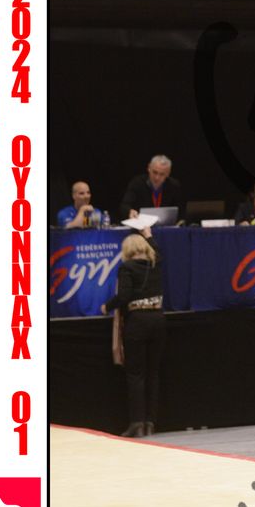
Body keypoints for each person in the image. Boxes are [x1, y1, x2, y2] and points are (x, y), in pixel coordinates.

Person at [101, 227, 166, 437]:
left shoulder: (126, 267)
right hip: (158, 319)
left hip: (138, 321)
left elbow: (124, 296)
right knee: (153, 372)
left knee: (136, 374)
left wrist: (107, 306)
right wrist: (149, 235)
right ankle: (150, 422)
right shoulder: (155, 264)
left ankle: (136, 421)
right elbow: (158, 253)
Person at [119, 155, 184, 221]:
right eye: (155, 172)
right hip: (141, 224)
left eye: (162, 174)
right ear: (149, 168)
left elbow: (180, 211)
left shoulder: (174, 186)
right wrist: (130, 211)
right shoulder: (137, 183)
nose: (157, 178)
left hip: (165, 224)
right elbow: (125, 205)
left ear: (168, 173)